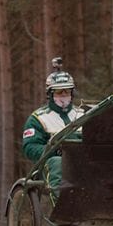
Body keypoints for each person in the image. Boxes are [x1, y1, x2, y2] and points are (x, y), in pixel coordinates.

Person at [22, 58, 85, 201]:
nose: (63, 95)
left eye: (67, 91)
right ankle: (63, 209)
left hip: (82, 162)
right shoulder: (38, 118)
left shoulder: (82, 114)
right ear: (50, 94)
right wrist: (53, 151)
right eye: (59, 92)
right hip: (49, 165)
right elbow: (29, 148)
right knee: (58, 162)